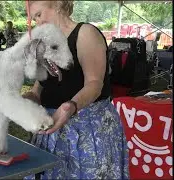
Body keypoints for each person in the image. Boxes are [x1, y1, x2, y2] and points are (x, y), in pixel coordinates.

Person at [22, 1, 129, 179]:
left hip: (87, 127)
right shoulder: (42, 44)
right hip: (52, 128)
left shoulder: (85, 33)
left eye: (39, 15)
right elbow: (39, 88)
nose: (38, 23)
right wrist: (27, 100)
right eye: (34, 19)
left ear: (57, 4)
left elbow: (94, 84)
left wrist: (70, 106)